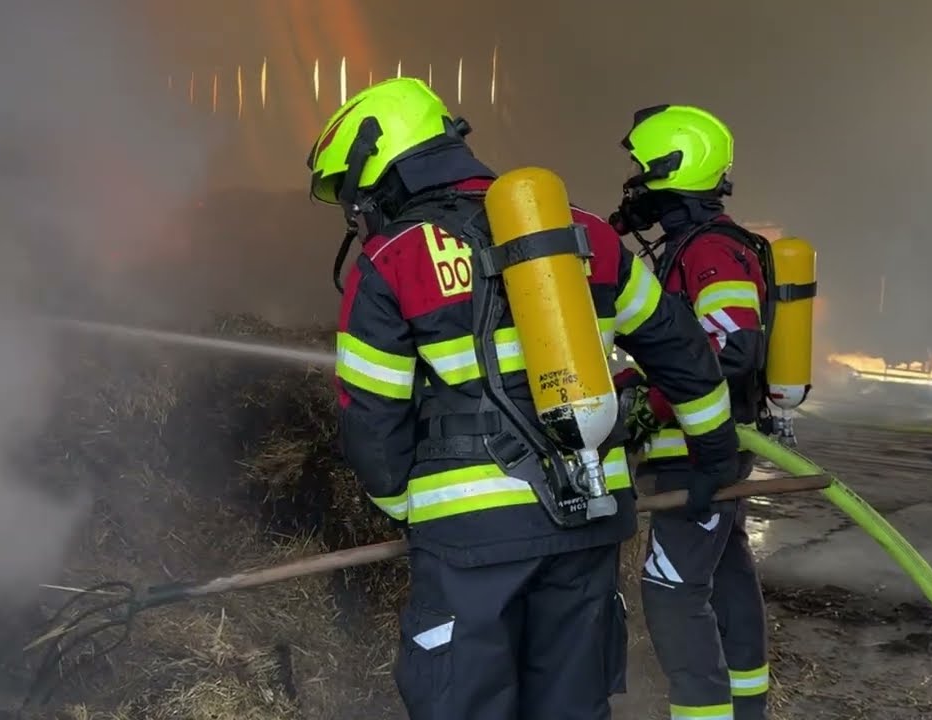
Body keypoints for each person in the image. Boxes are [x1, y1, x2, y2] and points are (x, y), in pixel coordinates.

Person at [307, 78, 739, 720]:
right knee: (571, 702)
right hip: (588, 519)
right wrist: (715, 455)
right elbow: (683, 352)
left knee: (466, 702)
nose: (357, 212)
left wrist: (405, 507)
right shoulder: (584, 232)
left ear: (381, 170)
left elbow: (371, 417)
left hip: (468, 542)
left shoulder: (393, 260)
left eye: (353, 194)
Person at [610, 104, 772, 720]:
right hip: (706, 452)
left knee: (673, 593)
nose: (635, 185)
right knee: (726, 582)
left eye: (642, 171)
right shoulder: (695, 247)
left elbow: (730, 343)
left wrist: (644, 409)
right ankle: (746, 711)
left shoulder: (709, 250)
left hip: (699, 455)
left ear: (672, 168)